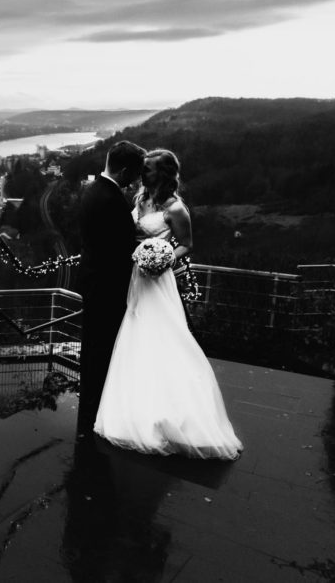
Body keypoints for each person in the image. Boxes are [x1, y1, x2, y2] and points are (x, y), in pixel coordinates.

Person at [94, 149, 243, 460]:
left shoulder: (176, 208)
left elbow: (187, 244)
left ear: (162, 175)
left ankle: (168, 411)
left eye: (147, 170)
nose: (141, 174)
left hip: (157, 278)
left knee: (161, 334)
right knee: (135, 334)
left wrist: (163, 258)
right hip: (135, 276)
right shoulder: (140, 199)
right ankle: (136, 405)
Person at [76, 140, 147, 440]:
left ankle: (89, 411)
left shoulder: (91, 192)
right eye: (135, 174)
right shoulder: (113, 201)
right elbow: (119, 251)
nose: (136, 181)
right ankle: (97, 415)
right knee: (103, 351)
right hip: (109, 288)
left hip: (93, 283)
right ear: (125, 170)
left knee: (92, 349)